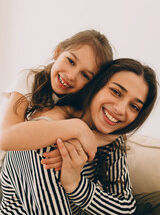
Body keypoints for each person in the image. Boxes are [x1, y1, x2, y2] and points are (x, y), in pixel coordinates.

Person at [0, 58, 157, 214]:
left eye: (134, 106)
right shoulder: (45, 133)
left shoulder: (111, 138)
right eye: (116, 92)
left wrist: (75, 184)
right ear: (96, 86)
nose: (121, 110)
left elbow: (126, 208)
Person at [0, 29, 114, 165]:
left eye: (85, 75)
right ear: (58, 52)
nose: (71, 76)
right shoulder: (29, 79)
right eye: (71, 61)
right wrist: (77, 128)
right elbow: (6, 138)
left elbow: (114, 133)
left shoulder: (82, 103)